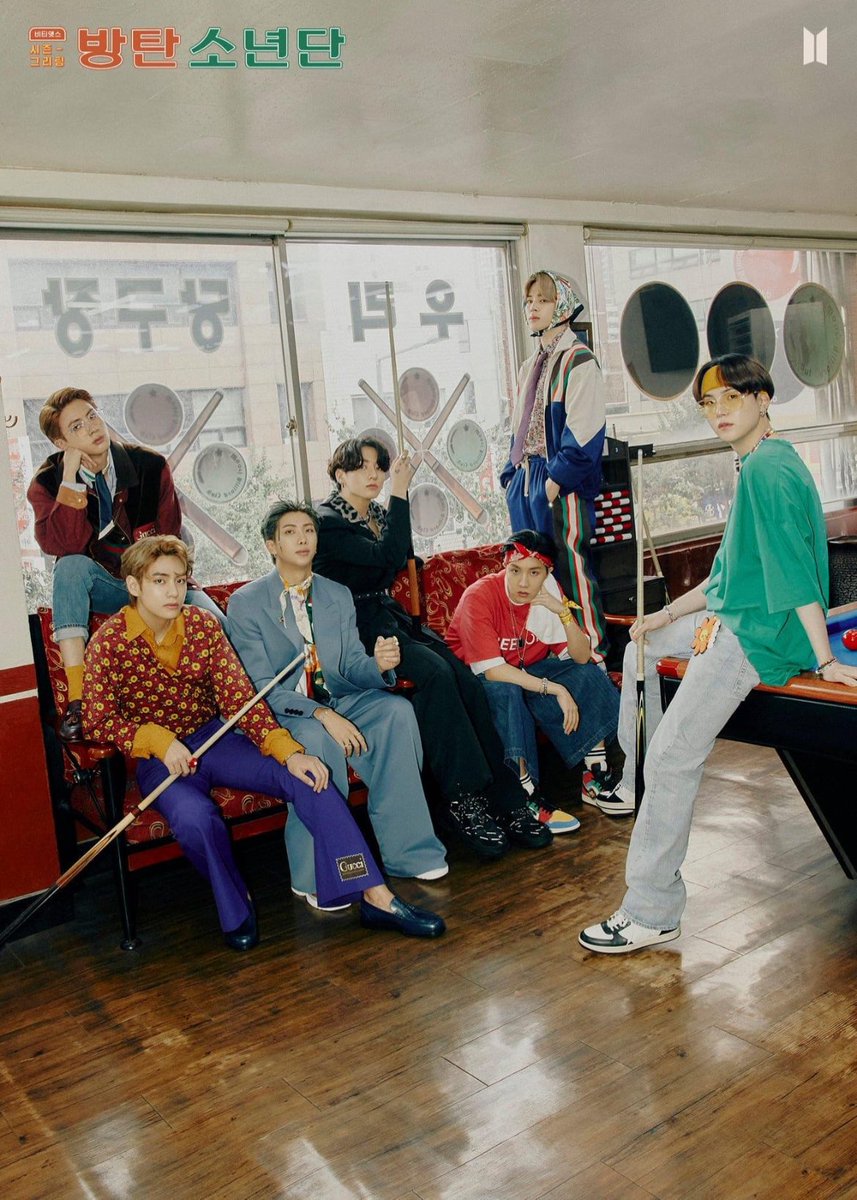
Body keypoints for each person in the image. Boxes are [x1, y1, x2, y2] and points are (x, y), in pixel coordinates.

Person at [579, 353, 857, 955]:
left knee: (673, 757)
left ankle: (652, 910)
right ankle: (630, 780)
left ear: (763, 398)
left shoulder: (767, 471)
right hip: (733, 617)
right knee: (642, 649)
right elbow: (728, 574)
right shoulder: (758, 460)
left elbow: (795, 577)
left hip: (754, 637)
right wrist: (664, 616)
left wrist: (825, 661)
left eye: (733, 397)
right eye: (709, 403)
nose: (719, 411)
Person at [83, 535, 445, 947]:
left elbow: (242, 701)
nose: (173, 592)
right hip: (159, 760)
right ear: (133, 585)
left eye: (180, 581)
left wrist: (289, 753)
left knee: (310, 777)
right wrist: (157, 741)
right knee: (196, 819)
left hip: (216, 739)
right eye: (160, 581)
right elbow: (97, 720)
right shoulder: (108, 642)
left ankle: (373, 894)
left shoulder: (202, 625)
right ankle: (236, 906)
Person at [313, 437, 551, 858]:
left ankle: (506, 797)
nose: (374, 474)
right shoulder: (327, 521)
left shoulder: (376, 516)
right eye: (362, 466)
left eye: (379, 467)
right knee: (436, 676)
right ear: (339, 474)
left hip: (386, 616)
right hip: (354, 627)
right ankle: (462, 798)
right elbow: (387, 556)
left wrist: (392, 517)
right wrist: (400, 490)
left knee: (465, 678)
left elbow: (398, 557)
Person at [227, 500, 449, 905]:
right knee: (316, 740)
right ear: (271, 545)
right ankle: (317, 874)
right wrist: (321, 714)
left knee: (395, 713)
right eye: (290, 532)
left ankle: (409, 852)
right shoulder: (246, 602)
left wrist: (378, 666)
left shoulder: (336, 594)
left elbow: (348, 667)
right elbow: (260, 688)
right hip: (283, 713)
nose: (302, 538)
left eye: (308, 530)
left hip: (338, 700)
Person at [27, 386, 222, 741]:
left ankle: (231, 710)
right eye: (76, 427)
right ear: (60, 443)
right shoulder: (47, 483)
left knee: (218, 623)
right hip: (110, 587)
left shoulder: (150, 466)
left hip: (157, 582)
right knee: (69, 568)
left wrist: (161, 588)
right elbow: (66, 546)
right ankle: (78, 701)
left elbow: (171, 543)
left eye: (92, 416)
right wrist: (70, 481)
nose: (91, 427)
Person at [446, 530, 620, 834]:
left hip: (525, 669)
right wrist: (555, 689)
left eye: (534, 572)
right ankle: (524, 794)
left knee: (586, 673)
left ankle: (594, 775)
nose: (523, 583)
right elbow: (492, 671)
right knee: (508, 691)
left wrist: (563, 613)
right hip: (478, 681)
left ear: (547, 573)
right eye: (515, 571)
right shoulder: (479, 596)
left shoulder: (548, 593)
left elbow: (581, 657)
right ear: (504, 566)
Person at [500, 271, 609, 664]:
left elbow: (585, 435)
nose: (532, 307)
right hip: (526, 477)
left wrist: (553, 482)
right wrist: (511, 476)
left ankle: (593, 654)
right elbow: (518, 426)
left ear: (562, 305)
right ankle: (553, 651)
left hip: (560, 482)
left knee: (570, 567)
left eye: (543, 300)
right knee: (531, 571)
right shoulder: (530, 364)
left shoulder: (579, 361)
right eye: (530, 300)